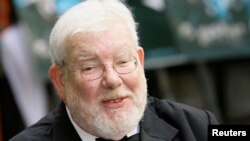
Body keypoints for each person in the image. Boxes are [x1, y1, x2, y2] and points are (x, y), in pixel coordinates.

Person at [9, 0, 218, 141]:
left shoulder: (198, 127)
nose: (112, 79)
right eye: (90, 67)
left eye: (123, 61)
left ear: (140, 61)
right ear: (60, 80)